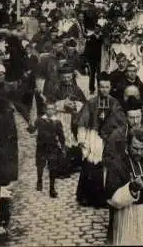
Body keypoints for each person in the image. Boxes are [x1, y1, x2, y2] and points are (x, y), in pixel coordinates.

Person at [105, 127, 143, 245]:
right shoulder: (117, 163)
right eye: (135, 148)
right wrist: (132, 188)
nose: (139, 152)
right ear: (127, 145)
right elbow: (112, 199)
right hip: (127, 215)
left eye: (142, 148)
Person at [75, 73, 126, 207]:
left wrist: (113, 134)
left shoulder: (115, 103)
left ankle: (105, 196)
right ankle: (88, 196)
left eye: (106, 87)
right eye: (101, 87)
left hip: (110, 138)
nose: (104, 89)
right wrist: (82, 138)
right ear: (98, 87)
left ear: (110, 87)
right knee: (91, 164)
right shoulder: (91, 102)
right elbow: (83, 121)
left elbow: (121, 122)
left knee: (107, 165)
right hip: (94, 136)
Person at [28, 102, 65, 198]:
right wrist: (30, 125)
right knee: (40, 165)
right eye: (48, 109)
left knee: (53, 168)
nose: (50, 111)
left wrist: (63, 147)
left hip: (53, 148)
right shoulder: (39, 120)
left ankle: (52, 188)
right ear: (45, 110)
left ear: (55, 111)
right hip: (41, 147)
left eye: (52, 109)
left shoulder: (57, 122)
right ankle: (39, 180)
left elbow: (61, 136)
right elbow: (32, 130)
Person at [54, 63, 86, 176]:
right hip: (62, 118)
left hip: (74, 117)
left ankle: (75, 165)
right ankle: (63, 168)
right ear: (61, 78)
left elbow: (84, 102)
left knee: (75, 139)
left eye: (69, 77)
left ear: (72, 76)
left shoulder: (76, 89)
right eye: (64, 77)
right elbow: (50, 104)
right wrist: (63, 104)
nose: (67, 79)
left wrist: (75, 105)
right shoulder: (56, 89)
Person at [84, 24, 103, 95]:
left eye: (98, 29)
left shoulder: (102, 38)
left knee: (99, 75)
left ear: (100, 30)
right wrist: (86, 60)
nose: (96, 30)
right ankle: (91, 89)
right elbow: (87, 49)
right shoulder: (90, 37)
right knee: (92, 75)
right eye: (95, 28)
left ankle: (99, 89)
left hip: (99, 59)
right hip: (92, 60)